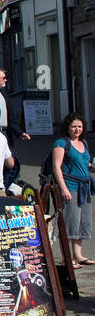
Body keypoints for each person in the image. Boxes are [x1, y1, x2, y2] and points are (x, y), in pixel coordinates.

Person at [51, 113, 92, 266]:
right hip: (70, 186)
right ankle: (66, 258)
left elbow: (83, 162)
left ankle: (78, 255)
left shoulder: (84, 143)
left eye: (79, 126)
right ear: (67, 127)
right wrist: (63, 188)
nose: (77, 129)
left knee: (82, 222)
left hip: (84, 187)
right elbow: (56, 167)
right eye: (74, 126)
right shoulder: (61, 143)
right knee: (69, 223)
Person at [0, 67, 30, 188]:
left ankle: (8, 184)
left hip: (5, 132)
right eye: (3, 78)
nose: (6, 80)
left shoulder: (3, 93)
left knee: (9, 160)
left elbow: (10, 117)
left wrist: (20, 132)